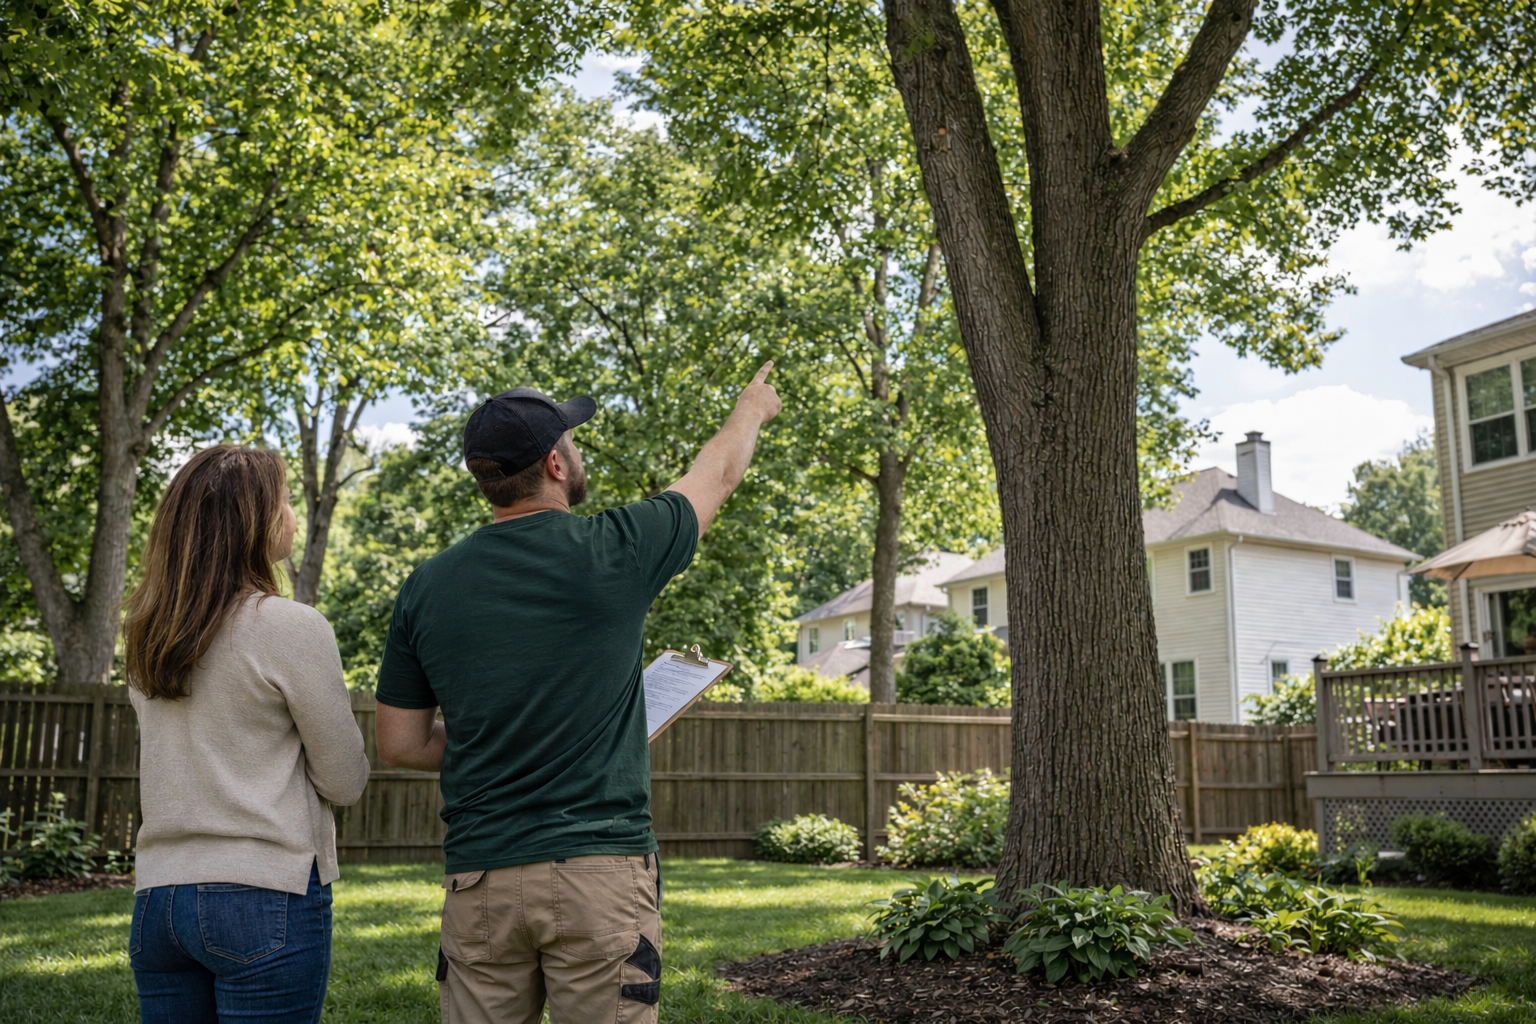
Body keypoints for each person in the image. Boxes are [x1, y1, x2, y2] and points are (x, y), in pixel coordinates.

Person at [374, 362, 782, 1024]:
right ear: (555, 463)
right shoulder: (616, 548)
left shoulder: (427, 585)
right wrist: (752, 410)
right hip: (601, 876)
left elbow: (399, 744)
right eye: (572, 437)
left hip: (481, 884)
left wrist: (501, 738)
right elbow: (719, 475)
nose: (577, 447)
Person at [122, 445, 370, 1024]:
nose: (291, 513)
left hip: (158, 902)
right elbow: (346, 780)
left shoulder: (146, 635)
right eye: (283, 501)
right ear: (251, 521)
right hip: (263, 895)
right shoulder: (289, 626)